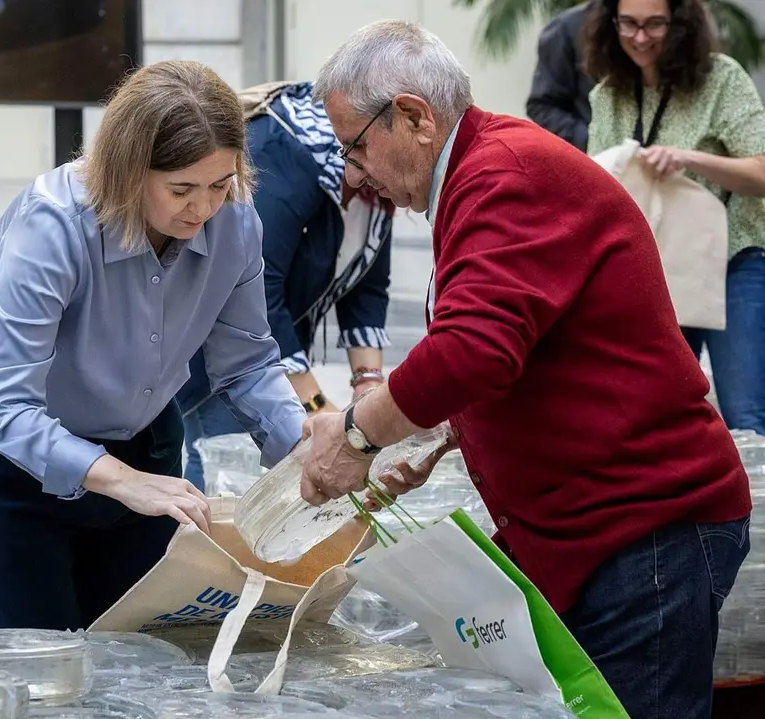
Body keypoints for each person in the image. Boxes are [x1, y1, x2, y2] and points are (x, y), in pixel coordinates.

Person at [302, 20, 751, 719]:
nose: (356, 171)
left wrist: (358, 433)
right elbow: (527, 342)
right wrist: (448, 427)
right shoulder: (483, 171)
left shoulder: (503, 175)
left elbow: (473, 347)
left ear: (415, 116)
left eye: (356, 146)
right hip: (607, 528)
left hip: (643, 525)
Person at [0, 59, 308, 631]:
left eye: (220, 184)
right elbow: (7, 407)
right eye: (181, 189)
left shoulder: (236, 220)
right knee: (31, 656)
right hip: (2, 447)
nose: (201, 209)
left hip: (142, 440)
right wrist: (123, 481)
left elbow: (248, 362)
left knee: (137, 652)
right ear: (130, 172)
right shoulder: (53, 222)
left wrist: (306, 451)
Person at [175, 80, 394, 489]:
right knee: (225, 474)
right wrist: (313, 403)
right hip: (218, 361)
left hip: (270, 358)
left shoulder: (377, 179)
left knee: (286, 462)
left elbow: (368, 286)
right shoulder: (284, 152)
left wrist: (368, 385)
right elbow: (262, 288)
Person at [584, 0, 765, 436]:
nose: (640, 37)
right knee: (661, 413)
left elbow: (761, 172)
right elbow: (595, 182)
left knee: (746, 415)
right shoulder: (609, 92)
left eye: (654, 24)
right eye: (628, 23)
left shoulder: (722, 79)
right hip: (657, 272)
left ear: (680, 24)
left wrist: (689, 159)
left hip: (733, 262)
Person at [526, 1, 597, 150]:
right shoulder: (567, 28)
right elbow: (542, 106)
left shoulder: (653, 26)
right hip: (596, 160)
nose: (640, 38)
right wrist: (592, 141)